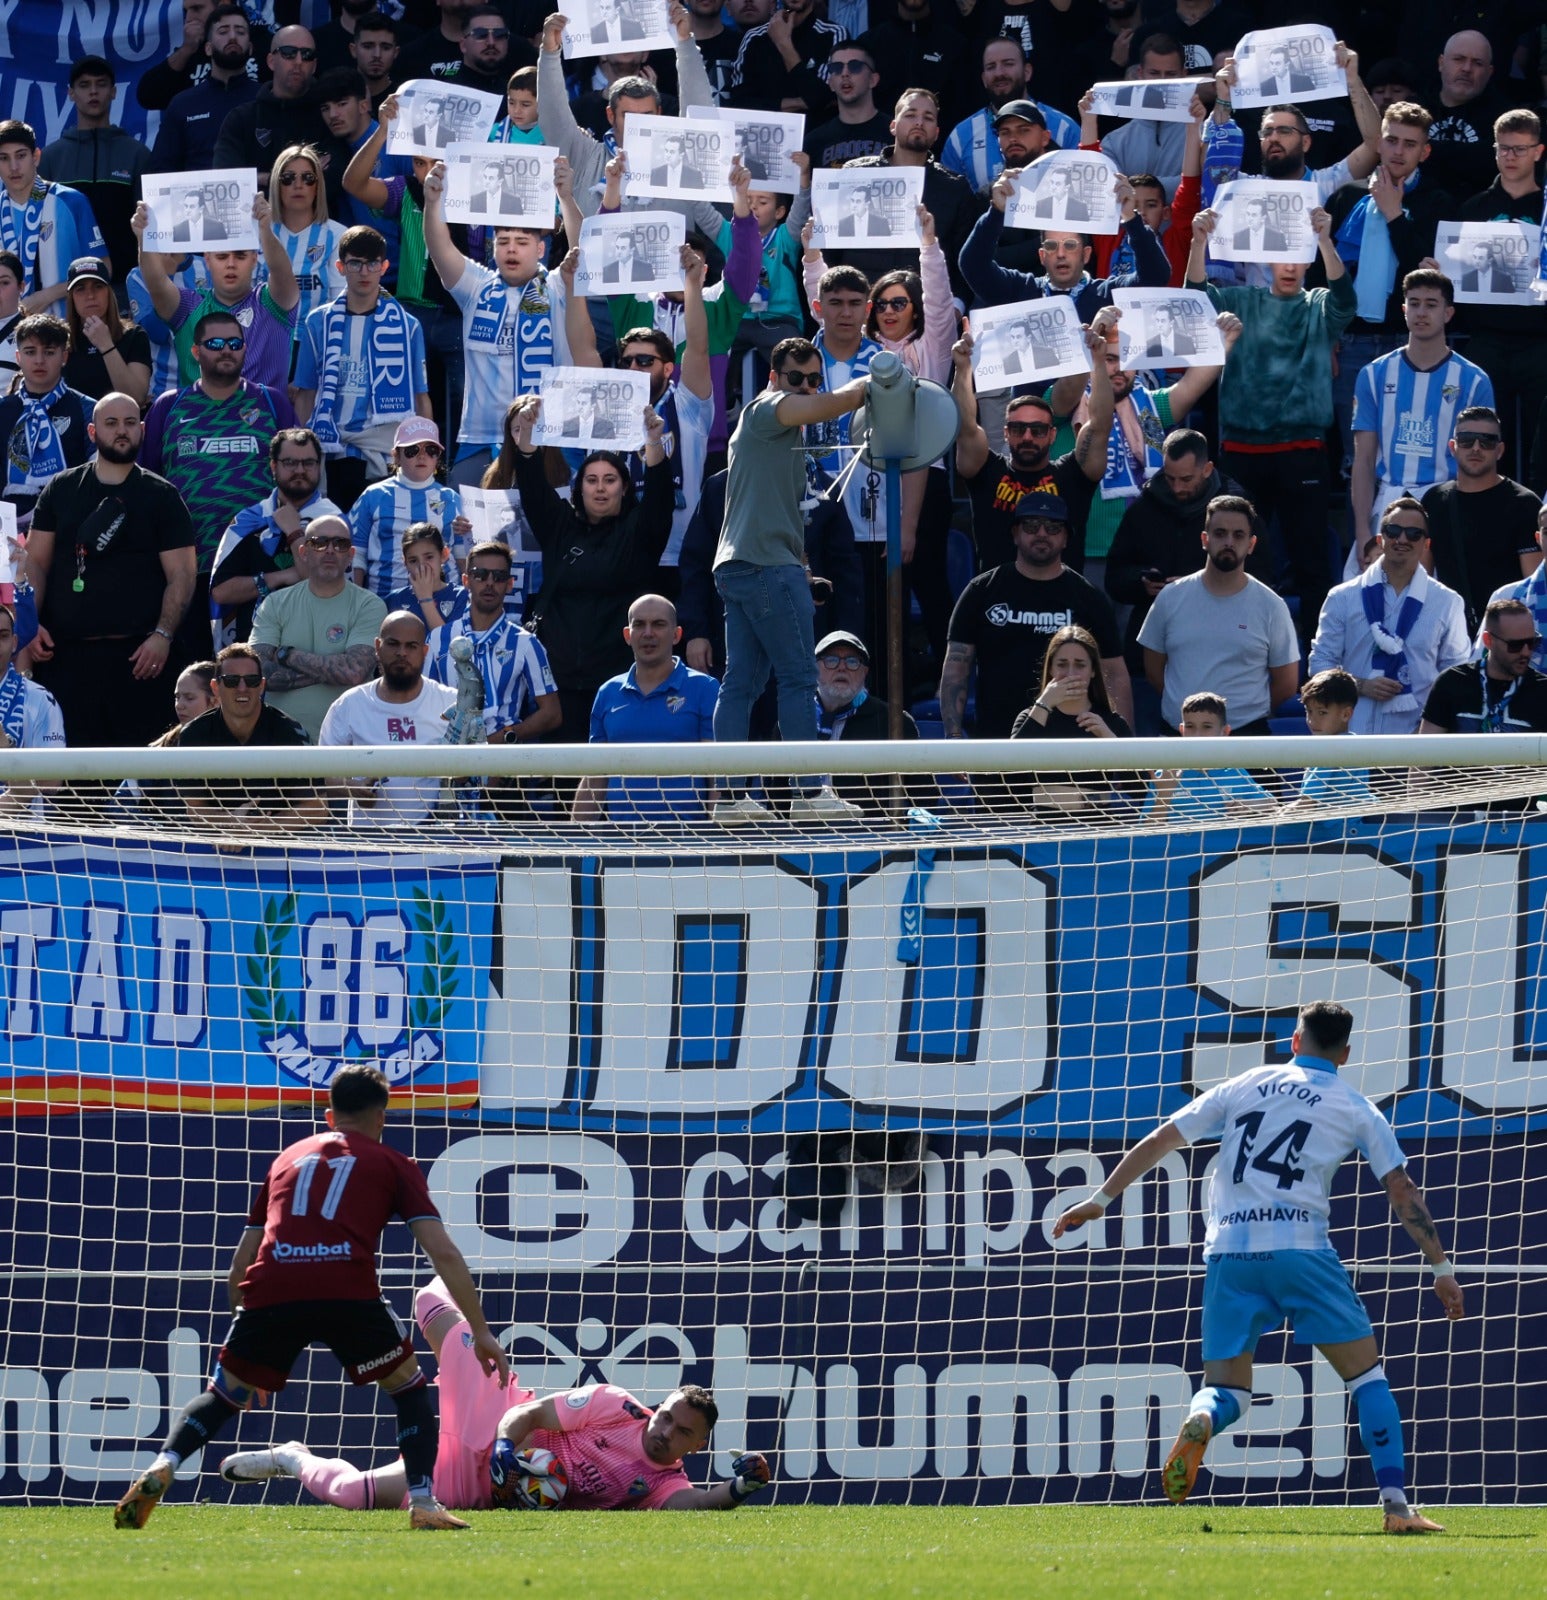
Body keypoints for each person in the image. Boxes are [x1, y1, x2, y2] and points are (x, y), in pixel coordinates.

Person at [1056, 997, 1462, 1531]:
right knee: (1367, 1379)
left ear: (1294, 1042)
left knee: (1229, 1388)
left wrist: (1100, 1201)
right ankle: (1395, 1508)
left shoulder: (1244, 1084)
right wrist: (1440, 1267)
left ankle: (1203, 1417)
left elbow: (1161, 1139)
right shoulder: (1356, 1106)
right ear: (1344, 1051)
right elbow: (1401, 1189)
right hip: (1300, 1250)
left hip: (1229, 1252)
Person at [113, 1063, 508, 1534]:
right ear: (382, 1117)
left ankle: (165, 1463)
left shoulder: (287, 1159)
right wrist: (481, 1332)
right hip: (347, 1291)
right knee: (408, 1390)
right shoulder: (392, 1164)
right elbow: (440, 1250)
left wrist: (252, 1353)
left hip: (272, 1289)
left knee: (222, 1396)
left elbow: (241, 1265)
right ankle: (422, 1502)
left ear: (329, 1115)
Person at [222, 1274, 769, 1513]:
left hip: (476, 1485)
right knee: (430, 1307)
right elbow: (531, 1413)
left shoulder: (661, 1483)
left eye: (681, 1432)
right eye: (668, 1415)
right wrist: (508, 1449)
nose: (665, 1429)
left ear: (694, 1449)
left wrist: (740, 1488)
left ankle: (292, 1458)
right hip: (497, 1417)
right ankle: (437, 1284)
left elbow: (698, 1503)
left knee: (353, 1496)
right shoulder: (616, 1405)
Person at [708, 336, 867, 823]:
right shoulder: (764, 410)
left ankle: (732, 802)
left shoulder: (782, 435)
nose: (804, 388)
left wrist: (801, 566)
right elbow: (837, 402)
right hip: (763, 566)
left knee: (742, 685)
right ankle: (807, 794)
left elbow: (780, 512)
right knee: (799, 678)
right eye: (794, 378)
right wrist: (877, 378)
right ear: (774, 379)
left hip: (744, 565)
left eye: (812, 380)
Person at [1187, 203, 1355, 644]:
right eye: (1281, 255)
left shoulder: (1318, 305)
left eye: (1299, 255)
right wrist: (1198, 241)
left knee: (1311, 561)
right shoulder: (1240, 300)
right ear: (1265, 260)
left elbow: (1346, 301)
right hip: (1243, 454)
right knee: (1240, 557)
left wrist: (1325, 239)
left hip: (1303, 452)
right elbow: (1195, 299)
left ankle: (1320, 656)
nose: (1289, 265)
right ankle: (1240, 643)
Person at [23, 393, 197, 748]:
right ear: (92, 431)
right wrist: (31, 624)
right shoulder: (61, 489)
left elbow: (182, 575)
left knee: (141, 785)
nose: (122, 431)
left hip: (142, 662)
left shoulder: (162, 496)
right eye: (112, 423)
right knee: (73, 784)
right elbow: (36, 563)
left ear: (143, 430)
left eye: (130, 423)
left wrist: (163, 636)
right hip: (65, 660)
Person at [510, 394, 673, 740]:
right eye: (591, 479)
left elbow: (660, 500)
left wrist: (653, 444)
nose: (600, 488)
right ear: (578, 487)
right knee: (566, 784)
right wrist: (526, 441)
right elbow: (533, 488)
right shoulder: (560, 526)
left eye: (610, 479)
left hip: (620, 681)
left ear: (624, 487)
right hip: (561, 680)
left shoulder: (639, 532)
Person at [142, 308, 299, 654]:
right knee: (197, 677)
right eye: (214, 343)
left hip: (262, 566)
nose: (226, 350)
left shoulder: (272, 402)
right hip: (191, 567)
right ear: (196, 351)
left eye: (234, 342)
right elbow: (148, 486)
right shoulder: (169, 407)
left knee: (256, 672)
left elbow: (300, 475)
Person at [941, 491, 1132, 743]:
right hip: (995, 743)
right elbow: (957, 666)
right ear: (1015, 534)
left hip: (1071, 745)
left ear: (1066, 538)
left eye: (1053, 527)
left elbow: (1115, 674)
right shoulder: (983, 590)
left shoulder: (1089, 597)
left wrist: (1123, 747)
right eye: (1031, 525)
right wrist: (953, 734)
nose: (1042, 533)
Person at [422, 159, 566, 489]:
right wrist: (432, 202)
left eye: (522, 241)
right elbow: (440, 246)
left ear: (541, 249)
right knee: (468, 534)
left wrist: (566, 198)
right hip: (480, 435)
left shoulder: (558, 286)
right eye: (503, 241)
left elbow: (584, 248)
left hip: (543, 435)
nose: (511, 249)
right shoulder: (477, 284)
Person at [564, 261, 714, 569]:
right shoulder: (605, 399)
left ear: (668, 368)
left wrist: (692, 285)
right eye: (627, 361)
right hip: (613, 553)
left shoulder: (688, 404)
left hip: (676, 556)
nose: (633, 368)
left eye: (645, 360)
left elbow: (698, 347)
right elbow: (582, 347)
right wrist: (571, 285)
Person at [1327, 104, 1452, 475]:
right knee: (1356, 461)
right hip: (1351, 342)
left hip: (1411, 339)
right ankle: (1361, 534)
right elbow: (1327, 274)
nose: (1399, 151)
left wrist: (1394, 215)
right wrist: (1328, 335)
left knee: (1415, 455)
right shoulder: (1347, 196)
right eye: (1392, 140)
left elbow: (1430, 277)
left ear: (1424, 151)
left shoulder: (1438, 202)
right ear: (1378, 143)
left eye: (1410, 144)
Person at [1105, 429, 1250, 719]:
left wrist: (1197, 585)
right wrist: (1142, 583)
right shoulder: (1144, 508)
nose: (1177, 488)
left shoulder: (1236, 510)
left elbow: (1260, 576)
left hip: (1220, 649)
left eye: (1187, 479)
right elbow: (1116, 577)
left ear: (1207, 469)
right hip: (1152, 649)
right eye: (1170, 478)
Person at [1349, 270, 1493, 550]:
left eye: (1431, 304)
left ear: (1448, 313)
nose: (1421, 312)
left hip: (1449, 505)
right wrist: (1361, 532)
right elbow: (1363, 460)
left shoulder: (1474, 380)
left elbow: (1481, 462)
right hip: (1388, 503)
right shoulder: (1373, 374)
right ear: (1403, 310)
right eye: (1414, 303)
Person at [951, 326, 1113, 575]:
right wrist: (963, 368)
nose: (1027, 437)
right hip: (998, 601)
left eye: (1037, 430)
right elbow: (965, 427)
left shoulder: (1072, 476)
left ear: (1052, 434)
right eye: (1018, 429)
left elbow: (1100, 425)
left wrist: (1098, 363)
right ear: (1006, 433)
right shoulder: (986, 471)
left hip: (1062, 603)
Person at [292, 224, 432, 510]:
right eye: (356, 263)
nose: (365, 272)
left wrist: (425, 450)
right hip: (331, 451)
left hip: (384, 455)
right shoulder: (317, 323)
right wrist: (299, 453)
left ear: (385, 266)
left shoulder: (408, 326)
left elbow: (420, 397)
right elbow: (305, 394)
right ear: (341, 267)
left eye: (372, 263)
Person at [1138, 494, 1301, 737]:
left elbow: (1287, 684)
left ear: (1252, 544)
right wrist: (1193, 718)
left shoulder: (1271, 606)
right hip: (1177, 736)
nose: (1228, 542)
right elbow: (1153, 670)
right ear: (1205, 539)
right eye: (1220, 533)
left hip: (1246, 740)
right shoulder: (1170, 598)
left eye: (1238, 535)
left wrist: (1244, 717)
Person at [1308, 497, 1470, 735]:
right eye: (1393, 530)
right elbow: (1320, 665)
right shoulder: (1342, 597)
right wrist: (1360, 685)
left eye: (1414, 533)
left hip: (1416, 740)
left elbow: (1456, 676)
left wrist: (1430, 731)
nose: (1402, 539)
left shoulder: (1448, 602)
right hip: (1350, 739)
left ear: (1426, 544)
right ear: (1379, 539)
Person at [132, 191, 301, 391]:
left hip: (264, 419)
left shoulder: (272, 303)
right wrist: (145, 238)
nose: (231, 264)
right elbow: (156, 283)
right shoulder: (188, 307)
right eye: (221, 257)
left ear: (255, 259)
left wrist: (265, 229)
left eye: (240, 256)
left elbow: (282, 271)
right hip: (198, 420)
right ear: (208, 260)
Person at [574, 592, 719, 822]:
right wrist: (574, 844)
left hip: (688, 845)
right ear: (627, 635)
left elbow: (717, 773)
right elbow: (595, 776)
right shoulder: (607, 692)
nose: (648, 633)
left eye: (658, 624)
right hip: (623, 846)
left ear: (676, 635)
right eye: (639, 625)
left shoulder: (706, 688)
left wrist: (715, 842)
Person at [1458, 110, 1546, 473]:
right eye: (1503, 148)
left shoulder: (1546, 209)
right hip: (1486, 339)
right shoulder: (1473, 209)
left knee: (1541, 442)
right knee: (1488, 438)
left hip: (1540, 340)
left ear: (1538, 152)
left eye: (1520, 149)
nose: (1510, 157)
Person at [249, 515, 388, 740]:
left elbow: (353, 672)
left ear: (351, 555)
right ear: (303, 552)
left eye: (340, 544)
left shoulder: (370, 605)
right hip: (282, 742)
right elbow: (257, 674)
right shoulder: (274, 604)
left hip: (349, 741)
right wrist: (332, 668)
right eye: (319, 542)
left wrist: (286, 654)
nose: (330, 550)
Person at [319, 611, 465, 825]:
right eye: (393, 644)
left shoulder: (451, 702)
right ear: (378, 646)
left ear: (425, 651)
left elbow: (480, 771)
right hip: (364, 845)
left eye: (411, 646)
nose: (402, 653)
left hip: (433, 844)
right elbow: (324, 772)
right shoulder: (349, 704)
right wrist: (353, 788)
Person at [210, 427, 342, 650]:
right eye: (290, 462)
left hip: (318, 648)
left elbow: (325, 582)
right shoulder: (249, 521)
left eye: (308, 463)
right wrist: (280, 577)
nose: (300, 470)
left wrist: (294, 532)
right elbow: (221, 592)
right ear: (273, 466)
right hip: (254, 651)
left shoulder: (335, 522)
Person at [425, 539, 561, 746]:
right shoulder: (438, 638)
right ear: (466, 580)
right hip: (446, 757)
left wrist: (503, 738)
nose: (489, 582)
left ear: (509, 584)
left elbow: (552, 714)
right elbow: (423, 702)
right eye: (480, 575)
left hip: (502, 762)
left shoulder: (526, 643)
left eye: (498, 577)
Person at [175, 641, 325, 824]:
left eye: (251, 680)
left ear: (261, 686)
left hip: (282, 847)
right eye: (231, 680)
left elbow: (316, 809)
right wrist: (230, 824)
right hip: (214, 846)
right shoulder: (193, 735)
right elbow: (195, 808)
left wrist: (257, 831)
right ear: (216, 688)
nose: (242, 688)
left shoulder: (290, 732)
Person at [1422, 406, 1542, 630]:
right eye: (1467, 440)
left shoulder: (1524, 504)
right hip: (1448, 635)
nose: (1476, 448)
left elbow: (1533, 589)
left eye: (1487, 441)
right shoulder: (1434, 501)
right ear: (1453, 447)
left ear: (1500, 450)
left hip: (1506, 639)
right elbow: (1421, 581)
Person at [38, 57, 151, 293]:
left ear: (113, 92)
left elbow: (150, 228)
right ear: (71, 93)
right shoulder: (50, 158)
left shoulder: (136, 154)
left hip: (124, 288)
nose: (93, 91)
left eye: (100, 84)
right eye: (84, 85)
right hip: (63, 291)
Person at [1009, 622, 1135, 820]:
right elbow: (1011, 770)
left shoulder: (1112, 722)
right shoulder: (1030, 717)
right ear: (1050, 669)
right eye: (1061, 664)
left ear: (1093, 671)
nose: (1070, 673)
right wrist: (1044, 703)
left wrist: (1110, 739)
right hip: (1045, 830)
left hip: (1098, 829)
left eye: (1080, 665)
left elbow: (1140, 789)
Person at [940, 34, 1079, 195]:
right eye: (991, 66)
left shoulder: (1064, 128)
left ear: (1027, 72)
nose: (999, 73)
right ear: (984, 79)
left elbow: (1082, 192)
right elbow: (948, 203)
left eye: (1008, 64)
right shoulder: (960, 136)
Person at [350, 417, 471, 601]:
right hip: (384, 601)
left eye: (431, 450)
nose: (422, 456)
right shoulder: (373, 496)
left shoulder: (452, 499)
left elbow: (463, 559)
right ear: (396, 456)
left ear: (438, 457)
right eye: (412, 450)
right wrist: (354, 604)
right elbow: (356, 555)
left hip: (444, 602)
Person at [0, 118, 108, 315]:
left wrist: (49, 295)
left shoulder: (71, 201)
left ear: (36, 157)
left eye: (21, 156)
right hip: (7, 339)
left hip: (67, 332)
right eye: (4, 158)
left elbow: (104, 268)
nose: (13, 167)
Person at [0, 314, 96, 529]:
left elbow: (98, 477)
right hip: (6, 532)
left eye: (49, 352)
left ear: (65, 356)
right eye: (30, 352)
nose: (39, 360)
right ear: (18, 357)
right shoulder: (3, 410)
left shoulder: (88, 408)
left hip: (69, 526)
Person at [213, 25, 330, 192]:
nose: (298, 61)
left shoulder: (328, 115)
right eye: (288, 52)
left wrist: (259, 178)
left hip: (316, 217)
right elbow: (225, 180)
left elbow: (334, 179)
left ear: (314, 66)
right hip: (255, 216)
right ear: (271, 61)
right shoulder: (241, 118)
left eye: (307, 55)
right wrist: (279, 178)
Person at [149, 4, 261, 176]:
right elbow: (161, 169)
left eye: (240, 32)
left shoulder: (265, 100)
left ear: (251, 48)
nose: (233, 37)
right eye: (223, 31)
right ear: (208, 48)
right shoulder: (183, 104)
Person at [1421, 596, 1547, 735]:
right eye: (1515, 645)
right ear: (1488, 641)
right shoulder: (1452, 682)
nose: (1526, 652)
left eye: (1532, 642)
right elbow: (1426, 749)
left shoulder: (1543, 689)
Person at [1142, 691, 1276, 821]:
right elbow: (1145, 834)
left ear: (1224, 732)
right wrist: (1164, 796)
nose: (1197, 734)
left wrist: (1250, 806)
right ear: (1182, 730)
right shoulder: (1166, 775)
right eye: (1190, 726)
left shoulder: (1236, 773)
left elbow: (1272, 805)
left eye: (1207, 727)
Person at [269, 144, 347, 337]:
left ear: (318, 186)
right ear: (276, 186)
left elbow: (339, 305)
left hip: (316, 342)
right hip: (263, 344)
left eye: (308, 178)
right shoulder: (259, 231)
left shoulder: (337, 235)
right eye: (287, 178)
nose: (298, 185)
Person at [0, 597, 66, 814]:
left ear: (15, 642)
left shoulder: (39, 700)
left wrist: (5, 748)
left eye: (2, 636)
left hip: (25, 841)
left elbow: (51, 783)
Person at [60, 256, 153, 406]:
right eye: (80, 289)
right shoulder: (60, 339)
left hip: (121, 424)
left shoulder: (134, 336)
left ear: (109, 292)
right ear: (71, 298)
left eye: (98, 286)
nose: (90, 295)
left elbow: (136, 397)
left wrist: (106, 345)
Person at [1424, 31, 1506, 200]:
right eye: (1459, 59)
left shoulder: (1505, 118)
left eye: (1477, 63)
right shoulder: (1415, 106)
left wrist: (1428, 150)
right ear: (1441, 63)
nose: (1467, 68)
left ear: (1490, 72)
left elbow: (1491, 163)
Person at [729, 0, 844, 118]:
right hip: (765, 132)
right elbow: (738, 104)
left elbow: (828, 97)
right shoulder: (754, 38)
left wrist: (784, 44)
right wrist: (799, 102)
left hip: (816, 133)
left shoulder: (833, 34)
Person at [1289, 667, 1375, 807]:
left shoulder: (1331, 749)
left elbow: (1306, 804)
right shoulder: (1355, 744)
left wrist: (1278, 817)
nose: (1312, 720)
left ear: (1346, 714)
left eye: (1322, 713)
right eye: (1309, 711)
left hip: (1332, 827)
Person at [803, 46, 890, 167]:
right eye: (836, 68)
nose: (844, 73)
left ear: (873, 79)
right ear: (831, 83)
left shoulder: (896, 134)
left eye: (855, 66)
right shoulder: (813, 142)